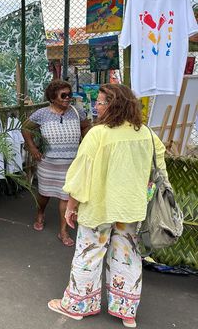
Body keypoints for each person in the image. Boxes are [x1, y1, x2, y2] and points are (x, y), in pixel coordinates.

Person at [48, 84, 168, 328]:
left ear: (114, 105)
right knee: (128, 255)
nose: (96, 106)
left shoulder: (98, 134)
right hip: (130, 208)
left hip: (99, 207)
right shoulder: (145, 132)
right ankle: (127, 311)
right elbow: (159, 166)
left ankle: (78, 307)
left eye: (101, 102)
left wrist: (71, 207)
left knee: (89, 254)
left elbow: (81, 175)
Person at [22, 80, 92, 246]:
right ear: (53, 98)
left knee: (66, 197)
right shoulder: (42, 114)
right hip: (48, 163)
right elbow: (25, 128)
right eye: (64, 95)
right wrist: (32, 148)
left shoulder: (77, 112)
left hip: (71, 163)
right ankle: (40, 213)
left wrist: (84, 145)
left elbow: (85, 127)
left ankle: (63, 231)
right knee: (44, 194)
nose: (68, 98)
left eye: (70, 94)